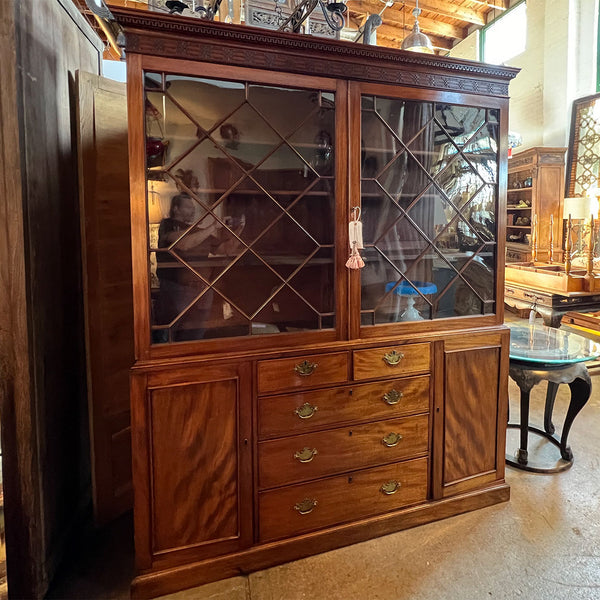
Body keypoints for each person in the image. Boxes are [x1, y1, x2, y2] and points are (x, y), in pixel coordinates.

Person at [154, 194, 224, 341]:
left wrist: (238, 229)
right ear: (176, 208)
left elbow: (224, 249)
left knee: (196, 332)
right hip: (177, 288)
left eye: (193, 207)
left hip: (202, 289)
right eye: (188, 207)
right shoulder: (167, 225)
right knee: (170, 332)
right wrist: (212, 227)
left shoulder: (197, 230)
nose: (192, 211)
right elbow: (183, 244)